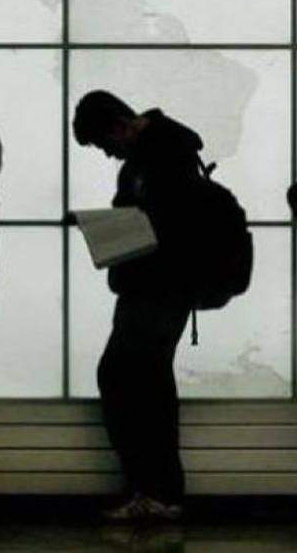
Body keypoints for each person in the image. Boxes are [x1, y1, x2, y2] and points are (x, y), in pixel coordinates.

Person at [72, 90, 201, 522]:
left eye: (105, 145)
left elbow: (163, 225)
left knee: (132, 380)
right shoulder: (160, 155)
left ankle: (155, 489)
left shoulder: (165, 157)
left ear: (119, 126)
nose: (108, 154)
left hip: (159, 286)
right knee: (144, 381)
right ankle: (154, 489)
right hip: (152, 286)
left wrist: (110, 226)